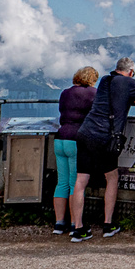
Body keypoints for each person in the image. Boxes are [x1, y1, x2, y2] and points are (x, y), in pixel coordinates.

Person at [71, 57, 135, 241]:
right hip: (105, 136)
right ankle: (108, 224)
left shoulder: (105, 80)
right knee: (112, 177)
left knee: (81, 180)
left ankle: (78, 228)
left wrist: (132, 101)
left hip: (85, 132)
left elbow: (113, 99)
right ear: (131, 72)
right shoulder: (129, 82)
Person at [53, 66, 98, 234]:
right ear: (92, 79)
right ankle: (75, 224)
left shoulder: (65, 92)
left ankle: (59, 223)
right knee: (75, 183)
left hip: (60, 138)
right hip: (76, 140)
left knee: (62, 182)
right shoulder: (93, 93)